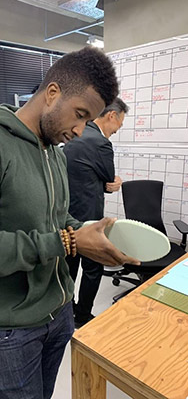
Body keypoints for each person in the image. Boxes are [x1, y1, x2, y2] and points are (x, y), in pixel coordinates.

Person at [0, 46, 139, 399]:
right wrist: (68, 242)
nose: (79, 130)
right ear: (52, 93)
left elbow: (59, 218)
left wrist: (91, 234)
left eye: (88, 121)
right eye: (78, 115)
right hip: (5, 331)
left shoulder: (52, 155)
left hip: (56, 315)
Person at [63, 98, 129, 328]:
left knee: (68, 267)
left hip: (65, 214)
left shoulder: (75, 135)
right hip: (87, 216)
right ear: (112, 115)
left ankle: (65, 312)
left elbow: (81, 174)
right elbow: (109, 178)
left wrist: (105, 183)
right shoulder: (100, 142)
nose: (116, 130)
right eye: (118, 124)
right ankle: (82, 316)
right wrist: (114, 182)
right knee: (93, 268)